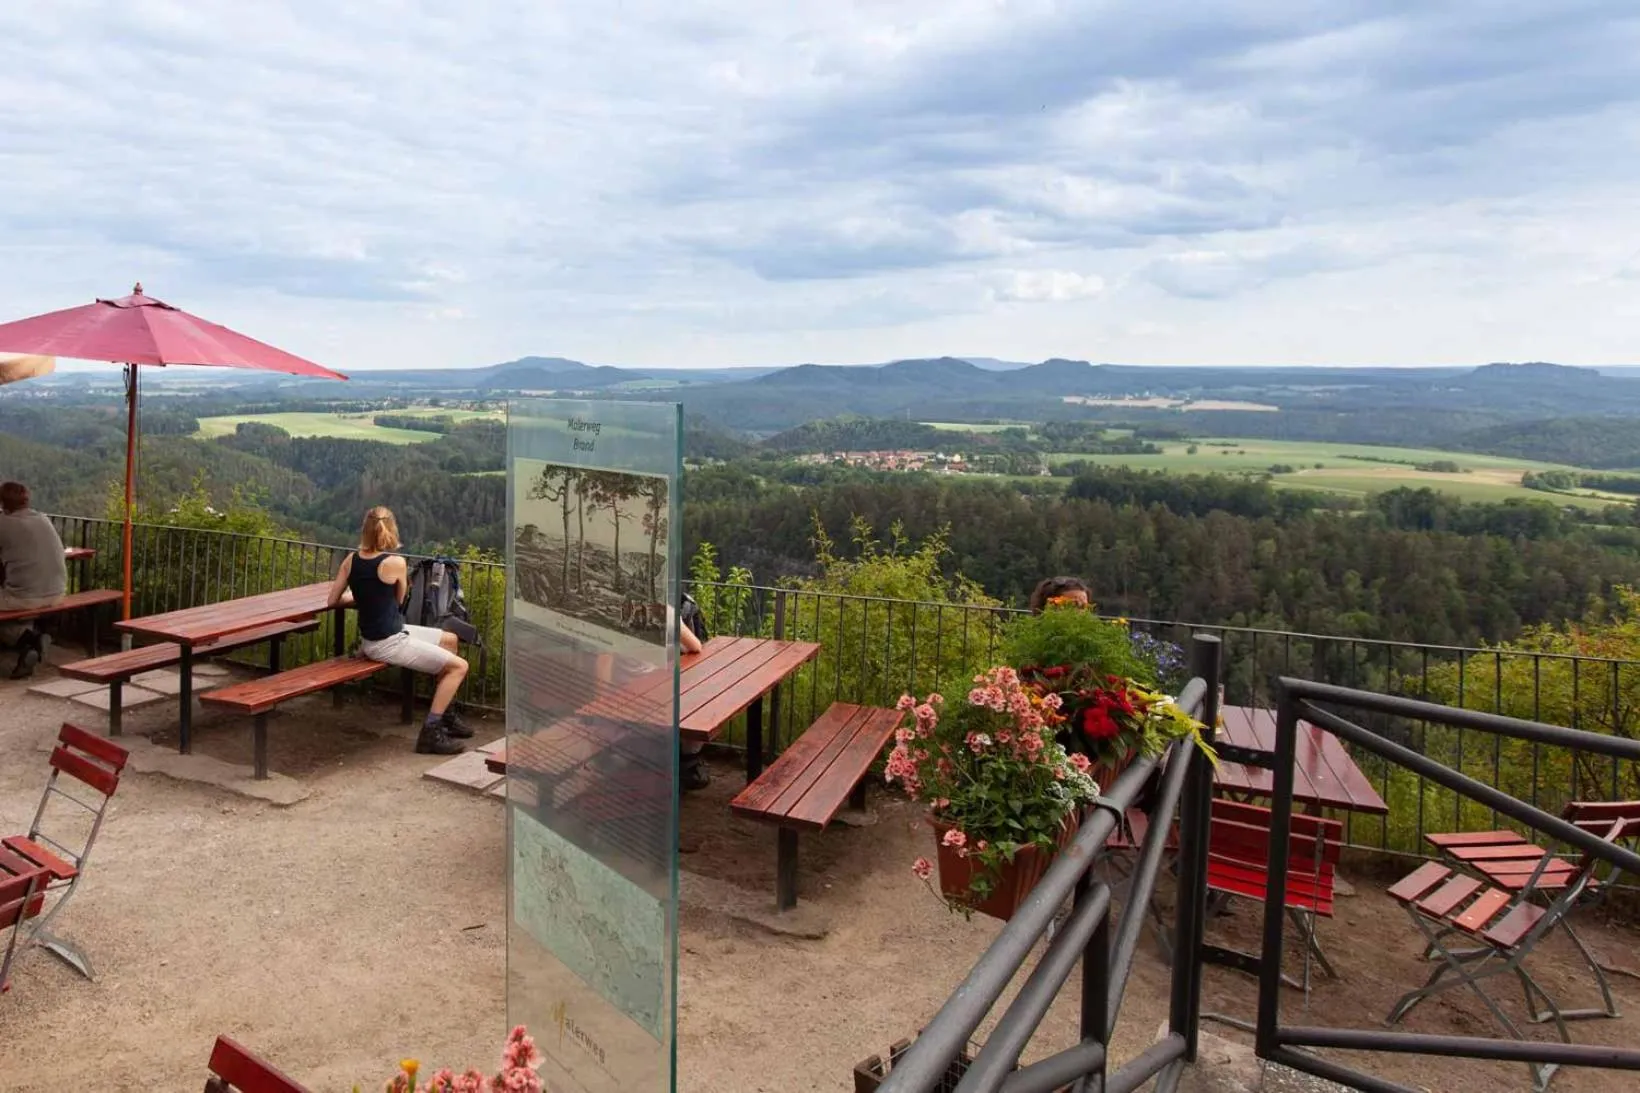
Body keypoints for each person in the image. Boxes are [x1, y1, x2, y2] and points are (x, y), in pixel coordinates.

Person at [326, 506, 471, 756]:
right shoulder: (396, 563)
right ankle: (431, 732)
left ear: (365, 530)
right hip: (388, 642)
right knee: (460, 667)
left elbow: (332, 601)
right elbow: (399, 600)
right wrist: (372, 596)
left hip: (380, 635)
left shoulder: (351, 560)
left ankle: (445, 715)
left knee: (450, 640)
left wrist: (359, 596)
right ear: (391, 530)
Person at [0, 482, 66, 679]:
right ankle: (40, 633)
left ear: (3, 503)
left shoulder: (3, 523)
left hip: (27, 597)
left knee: (10, 605)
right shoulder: (43, 518)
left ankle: (29, 641)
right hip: (58, 593)